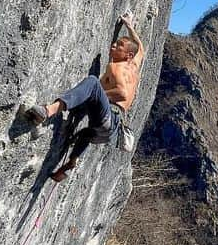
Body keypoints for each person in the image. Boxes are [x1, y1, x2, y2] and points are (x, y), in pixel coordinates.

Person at [27, 14, 145, 182]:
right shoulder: (134, 65)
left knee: (92, 83)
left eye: (119, 45)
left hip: (108, 118)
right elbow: (140, 48)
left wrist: (96, 94)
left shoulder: (115, 67)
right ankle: (72, 162)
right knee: (84, 134)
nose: (113, 45)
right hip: (109, 132)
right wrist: (129, 26)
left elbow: (122, 93)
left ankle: (48, 110)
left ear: (127, 55)